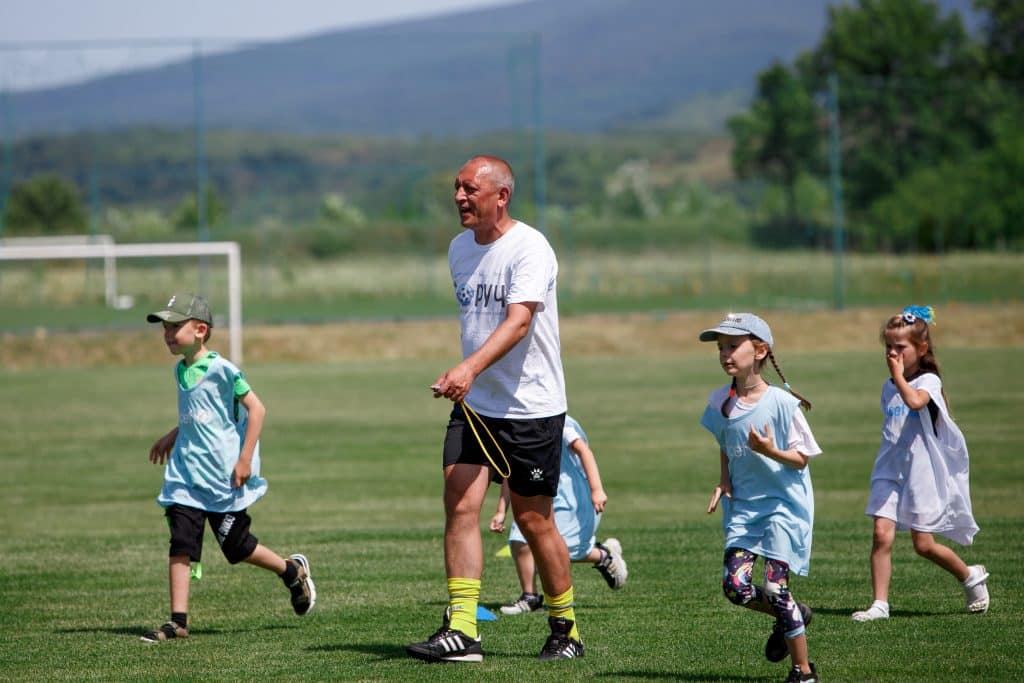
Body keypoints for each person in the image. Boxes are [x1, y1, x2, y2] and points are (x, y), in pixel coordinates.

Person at [406, 155, 582, 663]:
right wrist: (470, 378)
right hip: (476, 405)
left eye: (469, 189)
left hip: (531, 408)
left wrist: (468, 368)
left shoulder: (531, 247)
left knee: (533, 521)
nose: (459, 197)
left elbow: (519, 322)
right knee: (459, 502)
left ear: (500, 196)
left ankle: (565, 627)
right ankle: (462, 629)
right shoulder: (459, 249)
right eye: (456, 189)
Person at [141, 292, 315, 643]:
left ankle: (291, 570)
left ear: (200, 329)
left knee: (236, 548)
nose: (167, 333)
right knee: (181, 542)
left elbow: (257, 410)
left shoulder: (223, 370)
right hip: (186, 475)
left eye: (175, 326)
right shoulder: (180, 369)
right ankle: (178, 622)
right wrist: (173, 435)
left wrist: (245, 458)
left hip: (224, 476)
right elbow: (200, 417)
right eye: (165, 327)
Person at [700, 312, 822, 683]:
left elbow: (801, 459)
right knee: (735, 588)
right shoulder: (720, 401)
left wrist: (769, 450)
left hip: (782, 510)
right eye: (721, 347)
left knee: (773, 587)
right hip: (743, 510)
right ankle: (794, 613)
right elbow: (724, 441)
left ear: (760, 350)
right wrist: (723, 480)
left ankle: (803, 672)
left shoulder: (783, 405)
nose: (725, 354)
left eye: (733, 346)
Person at [851, 305, 988, 623]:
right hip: (889, 469)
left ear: (921, 348)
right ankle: (880, 605)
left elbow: (914, 401)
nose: (893, 353)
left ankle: (970, 576)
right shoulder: (889, 386)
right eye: (889, 347)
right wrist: (896, 379)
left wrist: (898, 376)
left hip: (920, 472)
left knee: (923, 544)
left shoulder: (929, 380)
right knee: (881, 534)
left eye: (901, 347)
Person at [489, 415, 627, 615]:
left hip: (572, 499)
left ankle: (603, 556)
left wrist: (596, 489)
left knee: (561, 551)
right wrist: (501, 510)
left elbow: (584, 451)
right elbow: (512, 471)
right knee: (519, 538)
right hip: (540, 495)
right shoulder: (516, 426)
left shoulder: (556, 421)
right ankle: (530, 597)